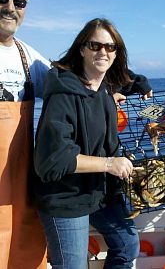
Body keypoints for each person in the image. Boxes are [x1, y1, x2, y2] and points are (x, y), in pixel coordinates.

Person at [33, 18, 141, 269]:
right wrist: (110, 163)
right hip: (65, 197)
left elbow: (126, 81)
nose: (103, 51)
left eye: (110, 47)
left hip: (98, 192)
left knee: (128, 245)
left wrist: (139, 84)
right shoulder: (63, 93)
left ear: (117, 53)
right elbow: (54, 160)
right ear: (82, 49)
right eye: (95, 45)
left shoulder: (103, 90)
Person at [0, 0, 50, 268]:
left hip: (20, 187)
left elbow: (72, 86)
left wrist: (121, 86)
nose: (10, 8)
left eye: (19, 2)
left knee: (25, 253)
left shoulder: (28, 56)